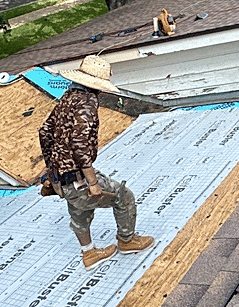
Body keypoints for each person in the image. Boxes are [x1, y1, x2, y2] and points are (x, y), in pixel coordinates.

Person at [38, 55, 154, 269]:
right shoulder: (87, 104)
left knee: (78, 209)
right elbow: (80, 147)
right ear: (98, 86)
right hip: (78, 176)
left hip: (61, 177)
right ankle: (127, 241)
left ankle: (89, 253)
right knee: (123, 196)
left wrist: (51, 166)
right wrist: (92, 183)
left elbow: (45, 131)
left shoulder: (69, 96)